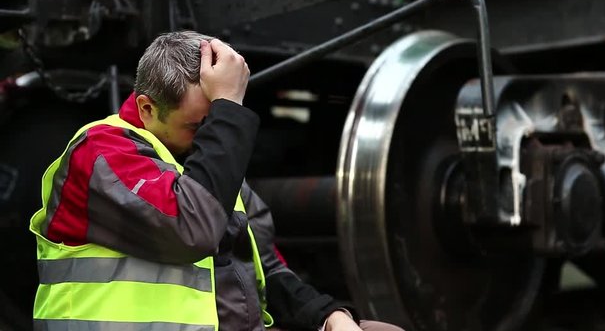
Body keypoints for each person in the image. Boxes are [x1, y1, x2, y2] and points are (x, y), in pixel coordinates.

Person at [29, 31, 404, 331]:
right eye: (198, 125)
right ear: (146, 108)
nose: (213, 137)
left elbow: (264, 270)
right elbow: (190, 229)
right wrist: (227, 108)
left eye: (217, 123)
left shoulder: (202, 164)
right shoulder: (100, 152)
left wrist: (328, 316)